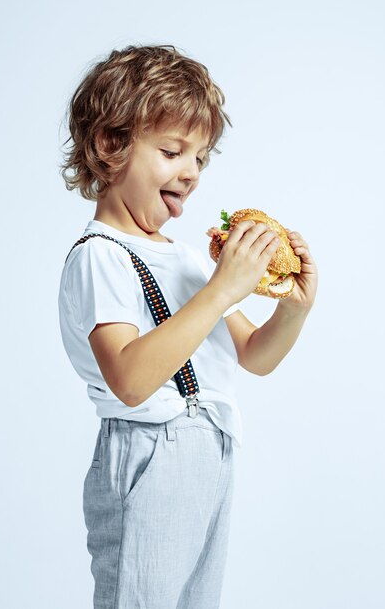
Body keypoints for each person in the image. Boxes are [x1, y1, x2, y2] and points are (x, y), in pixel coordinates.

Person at [57, 44, 318, 609]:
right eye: (173, 151)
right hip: (147, 451)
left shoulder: (189, 260)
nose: (191, 172)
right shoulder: (100, 255)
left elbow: (255, 356)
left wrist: (292, 308)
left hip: (212, 450)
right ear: (111, 145)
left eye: (201, 157)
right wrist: (223, 287)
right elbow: (130, 378)